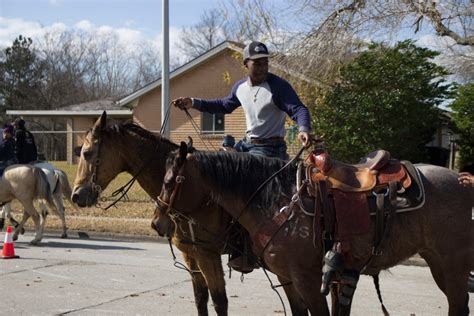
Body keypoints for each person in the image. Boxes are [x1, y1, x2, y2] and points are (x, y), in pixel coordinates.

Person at [172, 41, 312, 161]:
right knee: (221, 163)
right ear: (246, 64)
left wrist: (304, 129)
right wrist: (193, 102)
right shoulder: (240, 88)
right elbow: (223, 106)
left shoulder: (278, 86)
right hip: (246, 144)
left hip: (271, 149)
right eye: (257, 64)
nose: (262, 68)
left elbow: (299, 109)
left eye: (265, 63)